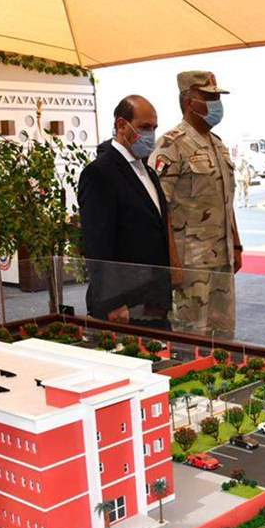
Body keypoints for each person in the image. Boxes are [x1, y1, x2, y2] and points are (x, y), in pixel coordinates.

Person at [151, 71, 241, 340]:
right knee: (191, 337)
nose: (216, 104)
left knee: (223, 334)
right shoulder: (171, 145)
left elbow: (226, 201)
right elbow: (159, 210)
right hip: (190, 263)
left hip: (222, 259)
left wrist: (236, 245)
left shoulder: (218, 145)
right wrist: (172, 263)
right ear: (189, 102)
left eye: (217, 97)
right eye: (209, 97)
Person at [80, 95, 174, 331]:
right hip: (123, 305)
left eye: (154, 128)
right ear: (121, 125)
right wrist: (113, 301)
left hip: (152, 298)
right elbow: (97, 244)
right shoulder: (99, 173)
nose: (151, 134)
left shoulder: (148, 172)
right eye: (145, 127)